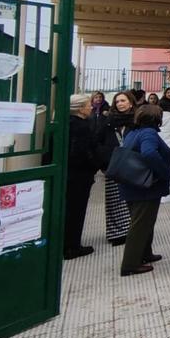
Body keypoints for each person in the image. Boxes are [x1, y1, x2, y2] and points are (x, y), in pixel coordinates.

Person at [116, 104, 170, 277]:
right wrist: (164, 171)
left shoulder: (133, 132)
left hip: (131, 184)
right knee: (140, 224)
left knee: (143, 221)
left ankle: (145, 253)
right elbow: (149, 153)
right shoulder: (149, 133)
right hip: (145, 187)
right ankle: (130, 264)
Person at [96, 91, 136, 246]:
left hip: (132, 165)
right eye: (117, 101)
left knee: (132, 198)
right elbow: (98, 141)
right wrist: (104, 162)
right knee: (114, 199)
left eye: (123, 100)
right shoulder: (108, 121)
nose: (120, 103)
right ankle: (117, 233)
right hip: (114, 165)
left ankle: (132, 230)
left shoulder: (137, 120)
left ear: (130, 103)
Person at [64, 94, 98, 260]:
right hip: (79, 175)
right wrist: (95, 165)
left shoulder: (66, 123)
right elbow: (81, 152)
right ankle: (72, 246)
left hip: (69, 174)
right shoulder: (81, 126)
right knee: (76, 211)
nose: (90, 107)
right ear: (79, 108)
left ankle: (67, 243)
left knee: (69, 209)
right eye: (87, 105)